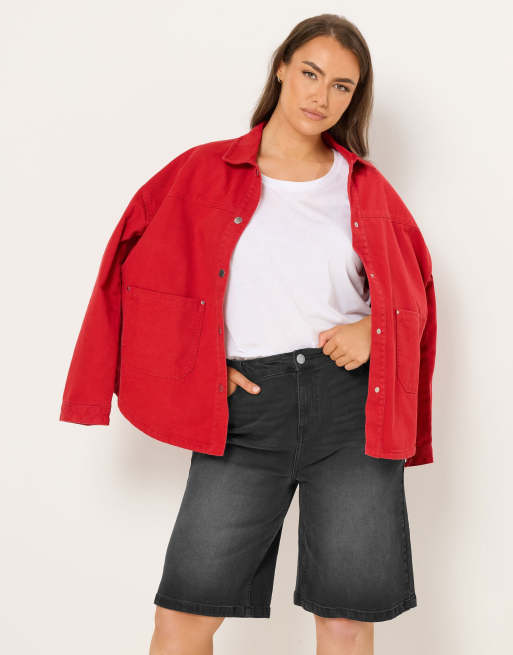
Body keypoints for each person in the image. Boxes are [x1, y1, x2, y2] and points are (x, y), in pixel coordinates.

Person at [60, 13, 437, 655]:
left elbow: (414, 297)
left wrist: (375, 330)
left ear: (354, 98)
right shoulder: (201, 172)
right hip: (245, 409)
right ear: (281, 69)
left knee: (346, 621)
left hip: (350, 411)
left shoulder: (364, 189)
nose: (321, 96)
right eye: (311, 74)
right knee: (184, 615)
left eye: (341, 86)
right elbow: (133, 274)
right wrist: (196, 366)